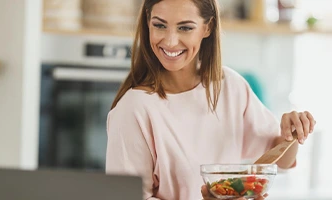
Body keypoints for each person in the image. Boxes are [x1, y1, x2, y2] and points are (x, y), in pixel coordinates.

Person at [105, 0, 316, 199]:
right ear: (148, 22)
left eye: (185, 28)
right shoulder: (133, 109)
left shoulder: (230, 86)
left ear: (208, 27)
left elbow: (281, 161)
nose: (170, 41)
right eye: (159, 25)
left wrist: (292, 132)